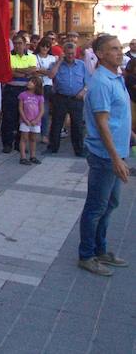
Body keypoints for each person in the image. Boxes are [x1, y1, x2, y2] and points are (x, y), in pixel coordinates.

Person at [77, 35, 131, 276]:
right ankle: (86, 255)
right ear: (100, 54)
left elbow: (118, 117)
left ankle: (101, 249)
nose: (120, 53)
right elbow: (102, 123)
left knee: (111, 204)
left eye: (120, 48)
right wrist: (116, 159)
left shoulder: (116, 77)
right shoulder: (101, 82)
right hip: (105, 157)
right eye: (114, 49)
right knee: (96, 207)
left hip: (117, 152)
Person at [46, 42, 88, 156]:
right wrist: (59, 61)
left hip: (76, 98)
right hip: (60, 97)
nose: (70, 56)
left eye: (72, 53)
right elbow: (51, 76)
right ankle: (52, 148)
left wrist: (83, 92)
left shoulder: (82, 65)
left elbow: (88, 82)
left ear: (75, 53)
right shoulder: (56, 64)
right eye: (68, 53)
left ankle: (79, 149)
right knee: (56, 124)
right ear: (64, 53)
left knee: (77, 125)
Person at [0, 35, 37, 153]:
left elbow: (32, 70)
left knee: (23, 117)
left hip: (25, 91)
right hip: (11, 90)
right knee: (8, 118)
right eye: (15, 43)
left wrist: (17, 71)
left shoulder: (31, 56)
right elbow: (9, 72)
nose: (17, 45)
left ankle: (19, 144)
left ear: (25, 44)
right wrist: (23, 72)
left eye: (20, 43)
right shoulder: (8, 56)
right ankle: (7, 144)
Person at [33, 36, 57, 145]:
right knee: (33, 111)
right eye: (43, 45)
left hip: (48, 86)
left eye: (47, 46)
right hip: (37, 85)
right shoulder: (34, 57)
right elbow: (34, 71)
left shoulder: (52, 58)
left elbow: (53, 74)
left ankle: (44, 135)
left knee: (45, 111)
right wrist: (47, 72)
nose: (45, 48)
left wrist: (43, 71)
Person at [17, 77, 44, 166]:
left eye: (32, 82)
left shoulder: (39, 97)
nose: (29, 83)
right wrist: (25, 119)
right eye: (29, 81)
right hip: (25, 121)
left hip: (35, 121)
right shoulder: (23, 95)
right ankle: (23, 157)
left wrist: (37, 119)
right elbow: (20, 108)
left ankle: (33, 156)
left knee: (33, 139)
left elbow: (41, 110)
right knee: (24, 138)